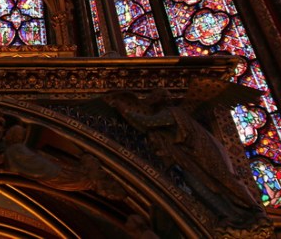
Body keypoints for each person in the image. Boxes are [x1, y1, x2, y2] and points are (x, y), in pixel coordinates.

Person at [109, 89, 263, 227]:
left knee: (221, 181)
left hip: (200, 155)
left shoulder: (173, 113)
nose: (150, 100)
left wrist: (123, 110)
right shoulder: (169, 115)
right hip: (188, 159)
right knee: (199, 186)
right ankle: (228, 215)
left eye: (154, 97)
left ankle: (250, 210)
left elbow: (147, 122)